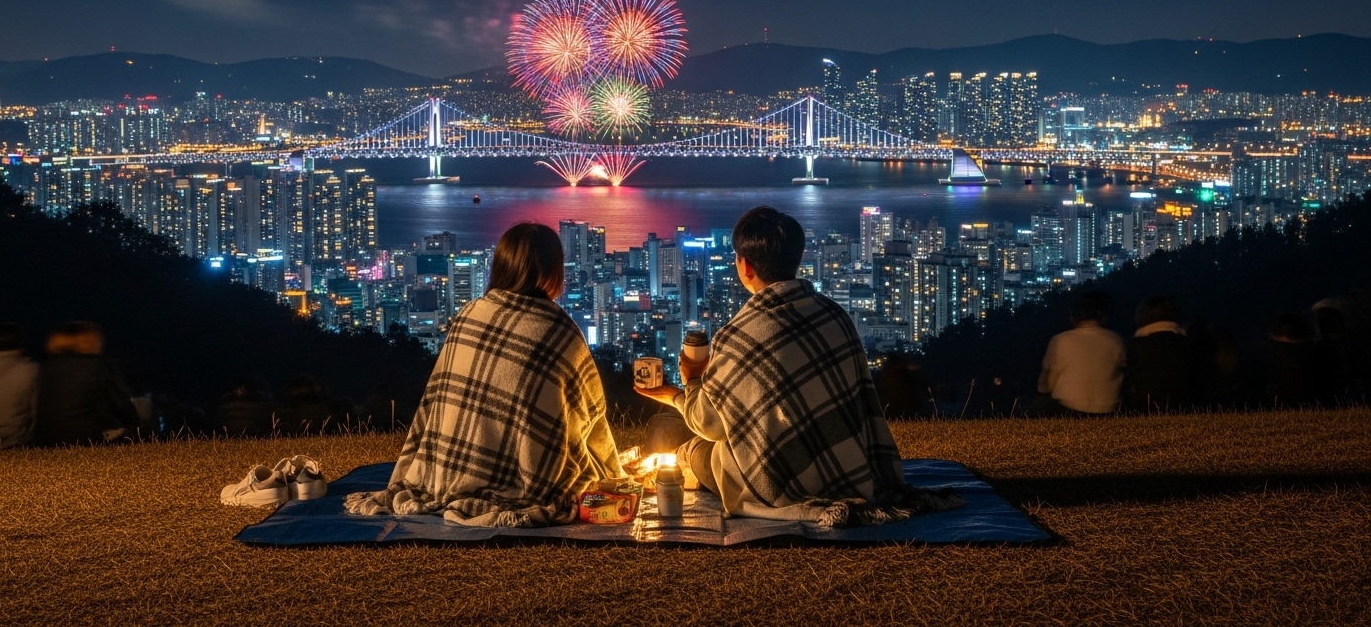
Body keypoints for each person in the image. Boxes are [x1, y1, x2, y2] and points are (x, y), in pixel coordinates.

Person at [637, 206, 961, 526]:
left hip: (775, 483)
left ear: (744, 266)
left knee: (688, 445)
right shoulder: (835, 314)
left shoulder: (739, 336)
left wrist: (691, 383)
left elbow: (711, 425)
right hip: (852, 472)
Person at [345, 222, 623, 525]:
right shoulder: (558, 331)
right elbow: (589, 415)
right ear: (554, 271)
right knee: (582, 469)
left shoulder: (470, 314)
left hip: (442, 471)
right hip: (528, 479)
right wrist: (613, 470)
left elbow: (436, 403)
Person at [34, 322, 141, 445]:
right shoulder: (94, 366)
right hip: (85, 438)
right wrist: (134, 426)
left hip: (47, 439)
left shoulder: (46, 367)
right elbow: (122, 403)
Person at [1037, 291, 1125, 415]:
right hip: (1109, 408)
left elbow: (1045, 385)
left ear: (1073, 317)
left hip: (1068, 408)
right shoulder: (1117, 340)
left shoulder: (1060, 340)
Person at [1122, 296, 1195, 412]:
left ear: (1141, 316)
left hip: (1142, 409)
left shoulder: (1133, 346)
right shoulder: (1188, 344)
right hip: (1183, 407)